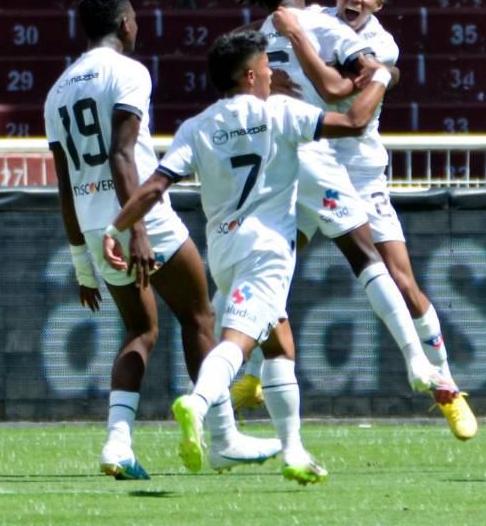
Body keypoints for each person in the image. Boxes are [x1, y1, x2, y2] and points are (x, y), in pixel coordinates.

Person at [102, 29, 394, 485]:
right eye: (269, 68)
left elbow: (155, 186)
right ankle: (197, 403)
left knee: (279, 344)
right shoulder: (280, 113)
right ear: (253, 74)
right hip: (268, 251)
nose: (274, 74)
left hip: (223, 250)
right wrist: (378, 77)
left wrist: (115, 227)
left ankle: (294, 450)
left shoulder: (195, 127)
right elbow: (356, 122)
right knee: (238, 342)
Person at [219, 0, 477, 440]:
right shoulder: (310, 19)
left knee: (402, 280)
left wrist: (300, 51)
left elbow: (348, 89)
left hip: (357, 172)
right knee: (276, 270)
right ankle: (251, 377)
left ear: (379, 4)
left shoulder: (380, 44)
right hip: (305, 164)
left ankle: (446, 385)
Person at [44, 0, 278, 481]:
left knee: (140, 330)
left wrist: (82, 263)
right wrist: (140, 230)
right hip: (136, 219)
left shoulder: (57, 90)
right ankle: (223, 438)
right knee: (200, 315)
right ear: (125, 22)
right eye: (135, 17)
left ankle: (117, 443)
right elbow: (122, 155)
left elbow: (65, 184)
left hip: (91, 224)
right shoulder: (129, 72)